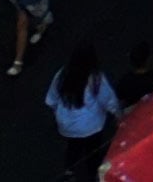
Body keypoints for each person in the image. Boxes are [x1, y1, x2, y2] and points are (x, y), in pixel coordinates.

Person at [45, 40, 120, 175]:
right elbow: (108, 100)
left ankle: (70, 171)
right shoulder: (96, 78)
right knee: (93, 151)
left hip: (67, 125)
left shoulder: (62, 75)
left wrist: (59, 115)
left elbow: (51, 100)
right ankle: (92, 173)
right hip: (92, 126)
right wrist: (117, 114)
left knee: (73, 147)